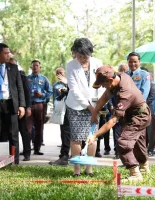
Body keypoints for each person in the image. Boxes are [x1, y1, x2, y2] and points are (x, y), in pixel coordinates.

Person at [88, 65, 151, 182]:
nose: (102, 86)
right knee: (138, 142)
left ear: (111, 80)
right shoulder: (119, 76)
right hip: (133, 113)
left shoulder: (125, 93)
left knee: (123, 142)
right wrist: (95, 111)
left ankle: (135, 174)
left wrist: (95, 135)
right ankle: (144, 167)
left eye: (103, 84)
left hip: (139, 116)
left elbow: (112, 120)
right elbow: (106, 95)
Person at [65, 38, 105, 176]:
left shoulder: (98, 63)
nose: (83, 59)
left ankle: (89, 167)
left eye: (86, 56)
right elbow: (74, 90)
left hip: (95, 105)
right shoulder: (70, 65)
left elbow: (102, 85)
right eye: (80, 55)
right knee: (76, 138)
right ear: (74, 53)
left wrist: (98, 105)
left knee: (92, 136)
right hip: (76, 106)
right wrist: (88, 107)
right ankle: (77, 169)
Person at [26, 60, 52, 155]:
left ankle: (37, 149)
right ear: (31, 67)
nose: (35, 67)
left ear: (40, 67)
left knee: (39, 128)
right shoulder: (27, 78)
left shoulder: (44, 79)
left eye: (37, 65)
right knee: (27, 128)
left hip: (39, 105)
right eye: (33, 66)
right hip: (29, 105)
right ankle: (27, 149)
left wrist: (42, 94)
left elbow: (50, 92)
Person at [9, 58, 32, 161]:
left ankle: (27, 153)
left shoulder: (22, 77)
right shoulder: (5, 76)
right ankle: (12, 154)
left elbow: (27, 93)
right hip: (10, 109)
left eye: (13, 65)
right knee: (12, 132)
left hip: (21, 108)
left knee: (24, 131)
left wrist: (28, 107)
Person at [49, 68, 71, 166]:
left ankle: (65, 156)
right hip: (63, 109)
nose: (60, 75)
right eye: (58, 73)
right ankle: (64, 156)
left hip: (72, 109)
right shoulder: (56, 85)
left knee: (67, 133)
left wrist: (67, 84)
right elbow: (57, 98)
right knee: (65, 133)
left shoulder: (69, 81)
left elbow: (75, 91)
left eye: (61, 73)